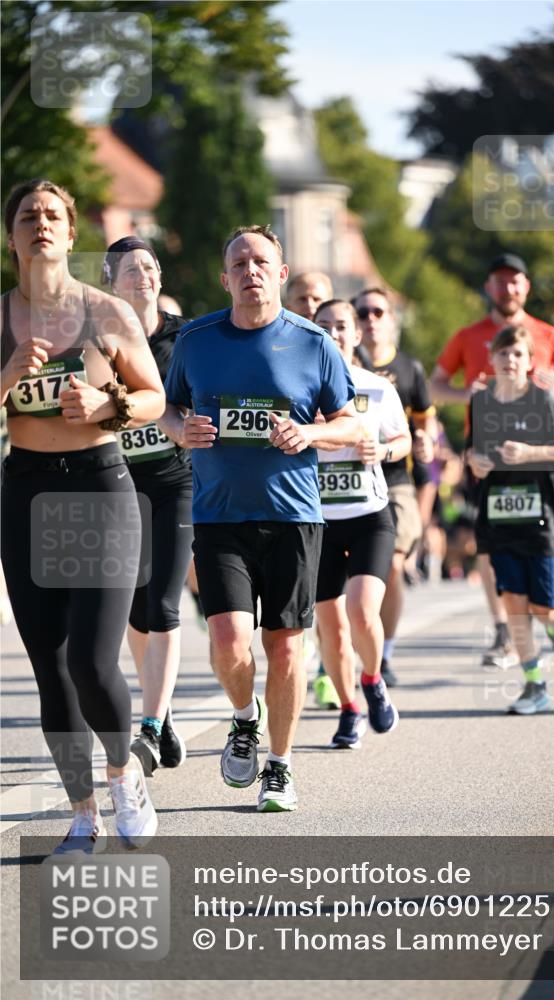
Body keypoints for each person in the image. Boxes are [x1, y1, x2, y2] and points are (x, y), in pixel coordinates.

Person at [162, 224, 359, 811]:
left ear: (281, 274)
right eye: (239, 263)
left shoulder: (314, 343)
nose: (250, 271)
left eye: (261, 262)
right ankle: (243, 719)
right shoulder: (197, 341)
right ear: (225, 279)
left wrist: (311, 432)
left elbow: (351, 424)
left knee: (287, 646)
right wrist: (182, 430)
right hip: (219, 514)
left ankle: (279, 764)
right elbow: (167, 408)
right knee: (227, 641)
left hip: (294, 516)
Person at [1, 178, 165, 851]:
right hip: (26, 492)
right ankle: (82, 814)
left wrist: (108, 409)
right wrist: (8, 376)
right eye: (27, 216)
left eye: (53, 216)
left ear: (71, 234)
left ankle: (124, 774)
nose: (41, 224)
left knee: (94, 663)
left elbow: (154, 397)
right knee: (50, 662)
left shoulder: (106, 313)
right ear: (12, 236)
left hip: (100, 487)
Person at [430, 253, 554, 669]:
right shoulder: (468, 335)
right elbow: (437, 386)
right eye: (499, 281)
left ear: (525, 287)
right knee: (491, 545)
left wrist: (553, 394)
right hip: (486, 455)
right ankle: (504, 630)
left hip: (536, 455)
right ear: (489, 288)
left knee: (541, 540)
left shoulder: (549, 336)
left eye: (515, 282)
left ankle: (544, 612)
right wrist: (467, 396)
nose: (507, 289)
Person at [103, 236, 192, 774]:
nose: (144, 275)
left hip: (176, 481)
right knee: (136, 611)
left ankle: (153, 726)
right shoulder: (99, 337)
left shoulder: (188, 337)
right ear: (111, 280)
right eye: (132, 269)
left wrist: (171, 414)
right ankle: (161, 706)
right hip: (118, 483)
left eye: (150, 266)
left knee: (162, 604)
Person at [467, 325, 554, 714]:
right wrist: (476, 462)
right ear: (493, 359)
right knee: (514, 604)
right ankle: (535, 686)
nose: (510, 360)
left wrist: (529, 454)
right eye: (503, 353)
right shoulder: (482, 402)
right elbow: (472, 453)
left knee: (545, 606)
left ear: (530, 361)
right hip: (498, 518)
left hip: (541, 519)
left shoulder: (541, 402)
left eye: (518, 354)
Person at [313, 299, 411, 747]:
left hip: (370, 514)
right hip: (317, 520)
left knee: (360, 611)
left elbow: (403, 438)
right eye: (324, 326)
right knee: (329, 628)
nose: (334, 334)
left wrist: (384, 451)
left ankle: (372, 679)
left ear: (356, 335)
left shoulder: (376, 386)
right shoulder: (299, 385)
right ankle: (348, 708)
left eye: (341, 327)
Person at [353, 286, 436, 687]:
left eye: (378, 312)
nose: (370, 319)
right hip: (345, 480)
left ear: (390, 320)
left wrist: (426, 441)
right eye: (362, 313)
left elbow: (425, 420)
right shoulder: (334, 365)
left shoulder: (408, 368)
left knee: (393, 563)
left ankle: (383, 656)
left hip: (394, 478)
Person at [283, 270, 341, 710]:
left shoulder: (330, 351)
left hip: (342, 495)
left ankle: (325, 666)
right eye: (301, 298)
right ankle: (307, 657)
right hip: (293, 490)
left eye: (318, 299)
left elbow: (353, 419)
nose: (310, 306)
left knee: (331, 596)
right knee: (309, 591)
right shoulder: (283, 345)